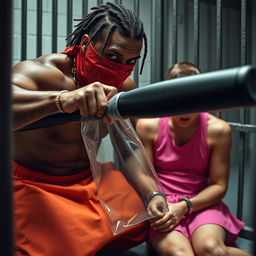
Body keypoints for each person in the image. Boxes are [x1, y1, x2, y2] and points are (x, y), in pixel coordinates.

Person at [12, 2, 166, 256]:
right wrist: (62, 100)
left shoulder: (123, 87)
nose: (120, 68)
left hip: (89, 180)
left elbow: (130, 149)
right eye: (113, 57)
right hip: (34, 184)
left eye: (130, 61)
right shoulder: (42, 74)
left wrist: (151, 192)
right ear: (85, 44)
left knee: (146, 222)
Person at [136, 62, 252, 256]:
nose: (185, 108)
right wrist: (155, 198)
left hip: (200, 201)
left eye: (192, 99)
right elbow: (143, 173)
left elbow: (219, 185)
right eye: (178, 100)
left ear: (201, 98)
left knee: (211, 250)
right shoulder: (148, 125)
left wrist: (185, 206)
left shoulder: (218, 130)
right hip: (163, 203)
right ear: (167, 98)